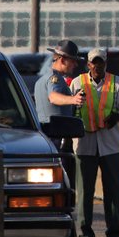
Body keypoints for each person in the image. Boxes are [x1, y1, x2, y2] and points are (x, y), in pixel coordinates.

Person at [71, 48, 119, 237]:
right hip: (85, 145)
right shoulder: (77, 83)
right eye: (93, 63)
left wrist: (117, 116)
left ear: (106, 64)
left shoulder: (117, 83)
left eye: (101, 63)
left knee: (113, 194)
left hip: (111, 146)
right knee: (85, 193)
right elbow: (70, 110)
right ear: (88, 64)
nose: (97, 66)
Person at [34, 39, 85, 188]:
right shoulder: (54, 79)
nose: (75, 65)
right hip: (57, 141)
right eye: (73, 61)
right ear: (62, 60)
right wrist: (73, 99)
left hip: (48, 139)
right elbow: (53, 97)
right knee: (61, 185)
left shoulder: (43, 79)